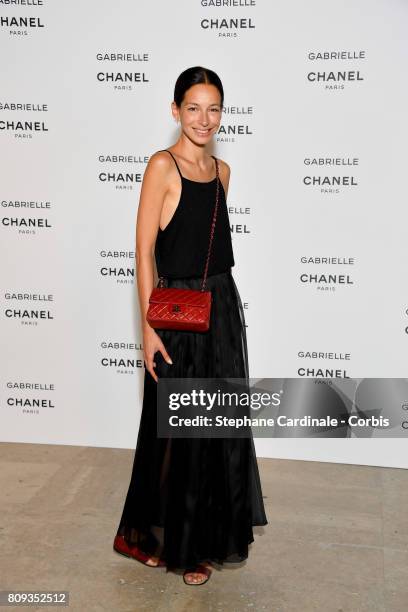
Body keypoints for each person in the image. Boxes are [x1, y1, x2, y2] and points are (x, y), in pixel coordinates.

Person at [113, 66, 268, 586]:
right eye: (194, 107)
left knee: (213, 429)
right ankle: (153, 536)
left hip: (220, 308)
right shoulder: (162, 166)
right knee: (174, 434)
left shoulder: (223, 173)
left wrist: (225, 317)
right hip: (177, 314)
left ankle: (200, 535)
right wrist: (148, 329)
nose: (205, 119)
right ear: (175, 110)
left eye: (214, 108)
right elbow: (143, 251)